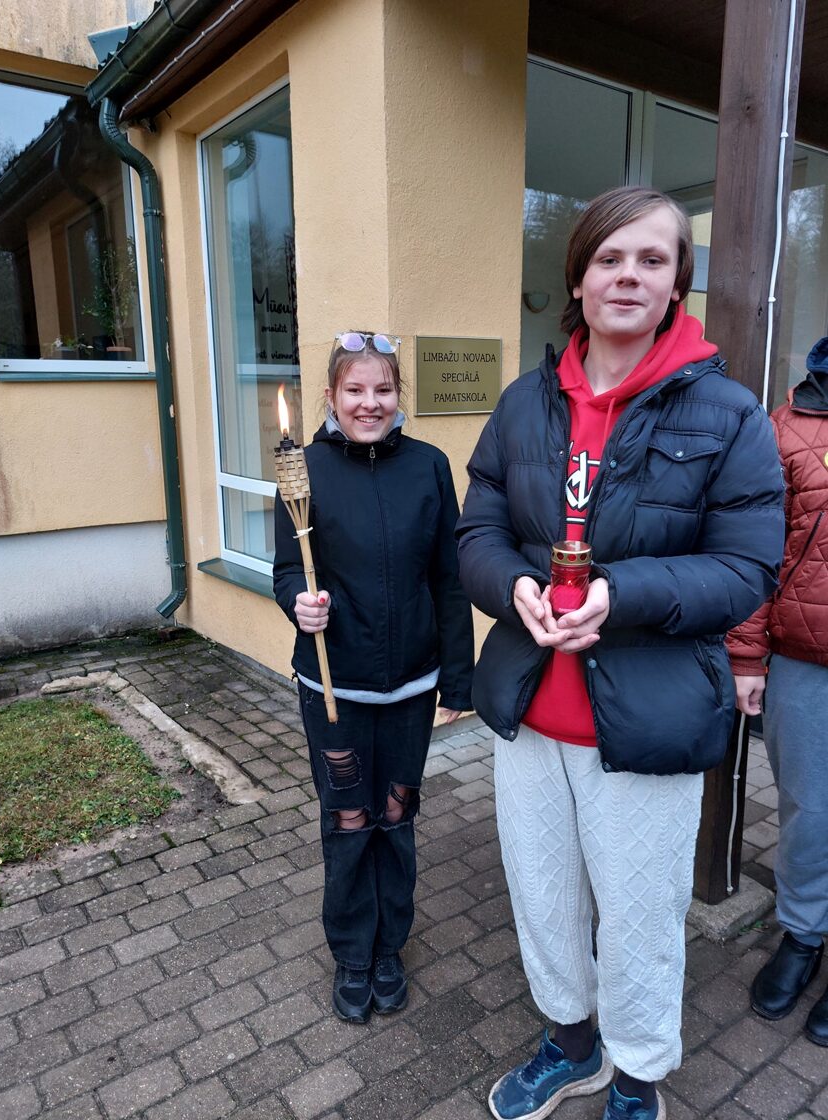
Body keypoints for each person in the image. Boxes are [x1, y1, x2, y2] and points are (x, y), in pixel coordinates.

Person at [456, 187, 785, 1120]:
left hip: (646, 720)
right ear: (579, 277)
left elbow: (746, 568)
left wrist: (620, 594)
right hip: (531, 712)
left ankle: (637, 1078)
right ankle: (571, 1044)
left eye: (652, 259)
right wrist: (511, 589)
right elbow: (477, 530)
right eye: (609, 258)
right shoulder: (524, 403)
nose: (628, 276)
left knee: (641, 915)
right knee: (544, 897)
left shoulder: (728, 413)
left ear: (679, 280)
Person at [273, 330, 474, 1024]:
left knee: (395, 815)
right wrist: (297, 602)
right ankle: (354, 954)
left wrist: (459, 678)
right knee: (349, 818)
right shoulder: (302, 470)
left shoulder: (429, 466)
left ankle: (391, 947)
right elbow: (288, 568)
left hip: (412, 687)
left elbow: (449, 577)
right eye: (354, 389)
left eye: (382, 389)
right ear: (331, 396)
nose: (370, 403)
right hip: (335, 686)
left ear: (398, 395)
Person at [726, 334, 828, 1048]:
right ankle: (803, 932)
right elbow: (758, 549)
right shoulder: (787, 426)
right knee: (809, 811)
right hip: (806, 659)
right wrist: (747, 654)